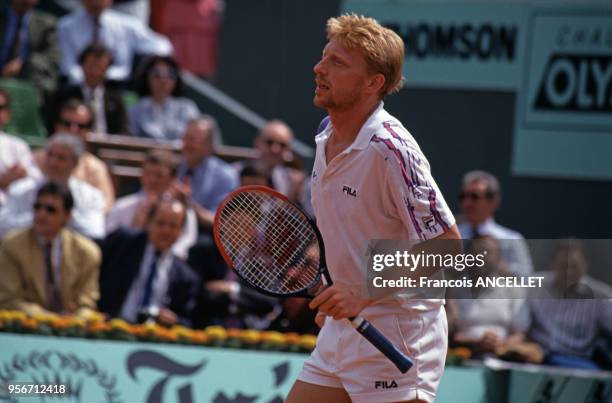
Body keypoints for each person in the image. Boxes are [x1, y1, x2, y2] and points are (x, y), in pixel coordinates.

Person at [286, 15, 460, 403]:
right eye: (324, 56)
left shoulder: (391, 149)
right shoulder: (324, 135)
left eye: (338, 63)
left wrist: (361, 292)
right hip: (344, 327)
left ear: (373, 83)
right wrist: (339, 292)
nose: (319, 68)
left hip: (400, 334)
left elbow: (448, 247)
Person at [0, 182, 101, 317]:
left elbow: (87, 303)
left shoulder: (87, 252)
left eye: (50, 210)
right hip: (26, 326)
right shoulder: (12, 245)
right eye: (37, 207)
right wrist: (50, 319)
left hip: (71, 329)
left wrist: (78, 320)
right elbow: (9, 299)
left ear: (67, 216)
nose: (41, 214)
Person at [99, 197, 199, 327]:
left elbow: (187, 321)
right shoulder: (122, 243)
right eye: (161, 223)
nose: (166, 231)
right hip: (111, 327)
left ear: (181, 231)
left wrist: (174, 320)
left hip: (154, 337)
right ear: (149, 223)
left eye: (173, 226)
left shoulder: (185, 276)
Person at [524, 240, 612, 370]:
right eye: (563, 266)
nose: (568, 272)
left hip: (578, 361)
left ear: (585, 266)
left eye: (574, 266)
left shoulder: (601, 296)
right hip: (535, 357)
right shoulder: (533, 286)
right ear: (553, 265)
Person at [0, 133, 106, 240]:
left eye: (61, 158)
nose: (53, 162)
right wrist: (39, 218)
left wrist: (65, 217)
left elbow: (95, 232)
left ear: (74, 163)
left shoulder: (91, 196)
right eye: (50, 155)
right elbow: (2, 227)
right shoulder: (20, 190)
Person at [105, 149, 197, 260]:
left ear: (172, 179)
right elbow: (108, 240)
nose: (152, 180)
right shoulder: (121, 207)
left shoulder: (182, 211)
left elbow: (185, 243)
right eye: (148, 173)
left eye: (159, 175)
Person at [57, 0, 173, 84]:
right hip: (79, 85)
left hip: (117, 85)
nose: (95, 2)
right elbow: (68, 66)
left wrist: (150, 61)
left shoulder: (126, 25)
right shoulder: (66, 26)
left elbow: (162, 45)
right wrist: (90, 76)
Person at [36, 99, 115, 209]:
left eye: (81, 126)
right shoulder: (36, 159)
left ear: (89, 131)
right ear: (56, 126)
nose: (73, 130)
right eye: (67, 124)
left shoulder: (96, 167)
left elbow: (106, 205)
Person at [457, 170, 533, 276]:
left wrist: (495, 262)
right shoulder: (453, 236)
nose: (467, 203)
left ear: (493, 201)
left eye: (474, 197)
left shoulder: (512, 239)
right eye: (463, 196)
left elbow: (526, 277)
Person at [50, 44, 129, 135]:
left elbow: (123, 130)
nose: (95, 72)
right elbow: (54, 126)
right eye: (91, 66)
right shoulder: (65, 95)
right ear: (82, 66)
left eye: (100, 68)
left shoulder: (115, 99)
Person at [128, 55, 200, 141]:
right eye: (157, 74)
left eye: (170, 74)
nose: (163, 80)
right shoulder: (135, 110)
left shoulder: (187, 108)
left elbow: (196, 139)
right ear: (147, 77)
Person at [0, 0, 60, 101]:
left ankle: (29, 107)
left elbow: (52, 57)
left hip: (28, 78)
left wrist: (22, 63)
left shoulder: (46, 24)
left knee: (38, 69)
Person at [0, 89, 41, 204]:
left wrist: (21, 174)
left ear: (8, 113)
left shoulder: (18, 146)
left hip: (12, 210)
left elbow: (36, 179)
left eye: (0, 107)